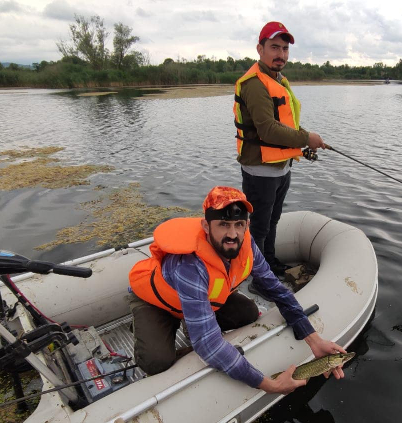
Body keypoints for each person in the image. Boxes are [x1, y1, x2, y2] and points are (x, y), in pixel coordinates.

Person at [128, 186, 346, 394]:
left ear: (246, 226)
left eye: (239, 225)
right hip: (157, 303)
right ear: (206, 226)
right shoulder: (189, 265)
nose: (232, 234)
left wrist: (314, 340)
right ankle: (163, 327)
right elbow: (209, 345)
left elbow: (276, 290)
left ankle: (192, 322)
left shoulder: (247, 246)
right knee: (155, 361)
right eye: (223, 225)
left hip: (201, 300)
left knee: (248, 313)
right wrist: (267, 384)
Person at [233, 21, 327, 276]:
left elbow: (286, 124)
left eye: (285, 49)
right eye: (275, 47)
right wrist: (307, 137)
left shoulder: (278, 80)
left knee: (273, 221)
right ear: (260, 49)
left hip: (280, 169)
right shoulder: (254, 83)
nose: (281, 54)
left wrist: (303, 145)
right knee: (260, 228)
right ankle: (257, 278)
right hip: (260, 172)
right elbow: (268, 129)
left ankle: (270, 263)